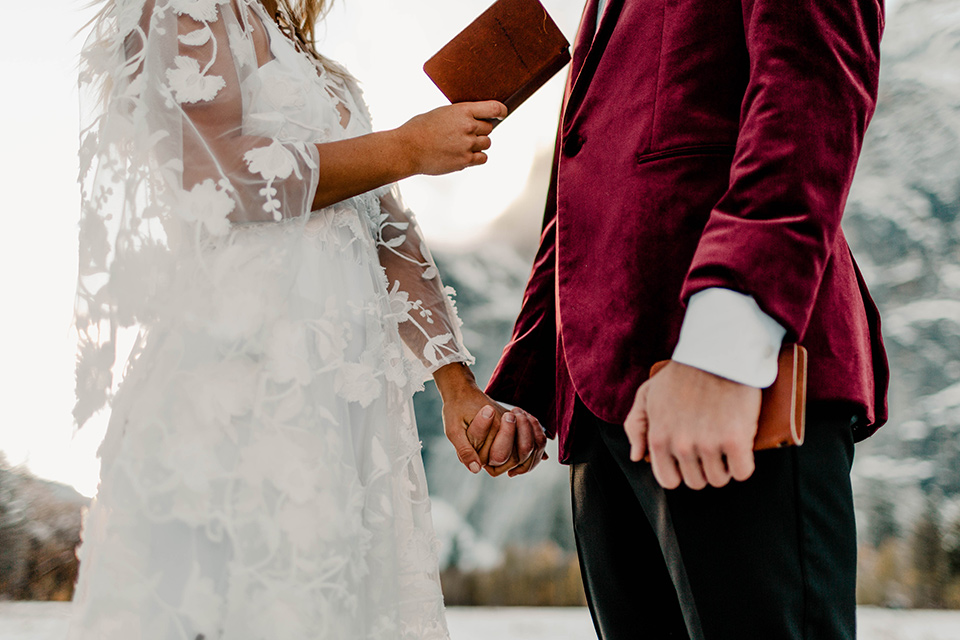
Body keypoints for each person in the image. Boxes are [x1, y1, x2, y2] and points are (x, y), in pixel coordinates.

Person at [69, 1, 546, 638]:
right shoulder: (186, 8)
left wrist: (457, 386)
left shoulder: (320, 64)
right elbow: (216, 175)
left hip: (347, 401)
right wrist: (406, 146)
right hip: (240, 374)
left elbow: (384, 227)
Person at [486, 0, 890, 638]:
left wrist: (722, 348)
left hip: (730, 377)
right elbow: (580, 180)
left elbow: (807, 94)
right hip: (600, 406)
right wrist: (527, 385)